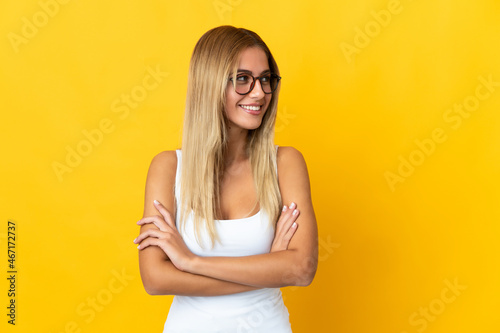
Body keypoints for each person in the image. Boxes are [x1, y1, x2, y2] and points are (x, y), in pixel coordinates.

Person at [133, 25, 318, 332]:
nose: (259, 92)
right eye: (243, 79)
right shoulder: (168, 168)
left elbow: (300, 269)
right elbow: (155, 279)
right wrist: (268, 268)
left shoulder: (285, 163)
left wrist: (190, 262)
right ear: (210, 83)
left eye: (266, 79)